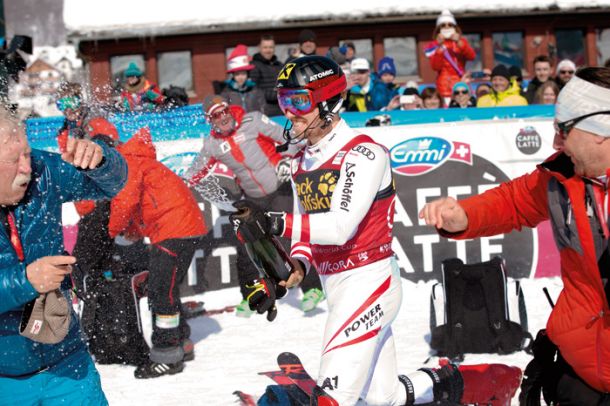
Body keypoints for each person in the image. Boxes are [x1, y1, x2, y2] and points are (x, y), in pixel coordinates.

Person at [232, 55, 522, 405]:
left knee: (334, 398)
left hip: (370, 282)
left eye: (299, 101)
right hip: (336, 285)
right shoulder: (301, 161)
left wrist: (276, 223)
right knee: (384, 397)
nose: (290, 112)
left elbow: (340, 226)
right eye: (283, 101)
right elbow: (307, 232)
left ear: (329, 102)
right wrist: (295, 269)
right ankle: (474, 380)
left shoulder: (364, 154)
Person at [419, 67, 610, 404]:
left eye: (564, 131)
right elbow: (514, 202)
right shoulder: (561, 176)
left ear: (600, 129)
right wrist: (463, 215)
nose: (555, 143)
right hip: (581, 370)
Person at [0, 109, 127, 405]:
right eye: (12, 160)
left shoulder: (43, 170)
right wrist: (27, 280)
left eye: (27, 154)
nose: (26, 168)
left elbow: (112, 185)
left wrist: (101, 160)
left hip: (67, 364)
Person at [185, 95, 325, 315]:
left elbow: (290, 139)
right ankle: (251, 295)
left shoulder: (253, 121)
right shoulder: (212, 145)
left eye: (224, 112)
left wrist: (287, 160)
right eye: (215, 115)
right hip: (252, 199)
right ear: (209, 121)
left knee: (289, 237)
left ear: (230, 110)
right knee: (247, 247)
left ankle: (312, 288)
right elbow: (193, 173)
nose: (222, 118)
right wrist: (178, 186)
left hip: (279, 188)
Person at [107, 127, 207, 379]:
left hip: (173, 229)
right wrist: (134, 230)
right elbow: (146, 203)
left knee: (160, 293)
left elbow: (125, 202)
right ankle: (181, 341)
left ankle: (167, 354)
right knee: (166, 289)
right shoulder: (141, 162)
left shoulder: (128, 163)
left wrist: (108, 231)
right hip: (183, 226)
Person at [425, 9, 476, 104]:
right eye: (443, 25)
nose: (447, 27)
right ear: (438, 29)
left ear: (455, 27)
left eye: (450, 25)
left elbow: (472, 56)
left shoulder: (461, 42)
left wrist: (459, 42)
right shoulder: (433, 45)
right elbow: (435, 67)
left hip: (461, 84)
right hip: (444, 87)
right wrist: (439, 48)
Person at [220, 44, 266, 114]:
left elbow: (263, 108)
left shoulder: (255, 90)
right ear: (233, 76)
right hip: (236, 123)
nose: (240, 77)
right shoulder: (227, 92)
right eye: (237, 74)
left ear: (248, 75)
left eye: (243, 74)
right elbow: (223, 110)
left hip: (254, 123)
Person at [250, 34, 284, 117]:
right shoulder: (254, 66)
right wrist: (275, 94)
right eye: (265, 47)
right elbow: (253, 90)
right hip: (266, 110)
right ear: (259, 48)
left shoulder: (279, 65)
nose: (268, 50)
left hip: (283, 107)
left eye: (271, 47)